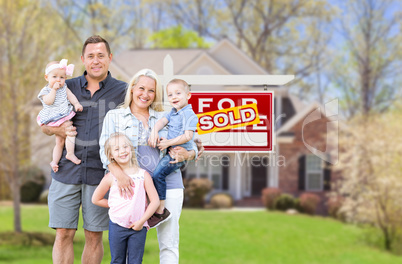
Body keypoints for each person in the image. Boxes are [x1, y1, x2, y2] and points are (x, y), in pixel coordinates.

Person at [99, 68, 203, 264]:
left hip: (168, 184)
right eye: (141, 88)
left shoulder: (168, 115)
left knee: (169, 242)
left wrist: (189, 153)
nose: (145, 95)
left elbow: (194, 145)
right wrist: (119, 176)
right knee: (128, 246)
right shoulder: (114, 116)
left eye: (151, 91)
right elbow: (104, 152)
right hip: (132, 187)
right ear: (132, 89)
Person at [41, 35, 127, 264]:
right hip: (66, 171)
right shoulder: (65, 85)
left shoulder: (122, 91)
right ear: (83, 59)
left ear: (109, 58)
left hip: (101, 174)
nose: (95, 60)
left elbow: (144, 116)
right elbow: (44, 125)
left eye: (101, 55)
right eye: (90, 56)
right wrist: (57, 131)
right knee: (63, 233)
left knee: (93, 235)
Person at [92, 132, 160, 264]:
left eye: (125, 147)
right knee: (117, 260)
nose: (122, 151)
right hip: (117, 225)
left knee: (136, 261)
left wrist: (142, 221)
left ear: (131, 149)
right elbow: (96, 199)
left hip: (138, 227)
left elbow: (155, 201)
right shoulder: (110, 177)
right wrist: (114, 205)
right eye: (117, 149)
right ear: (111, 155)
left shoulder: (143, 175)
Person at [148, 78, 198, 225]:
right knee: (156, 174)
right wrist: (154, 131)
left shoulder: (189, 115)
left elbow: (188, 136)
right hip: (171, 148)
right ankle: (157, 207)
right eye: (170, 95)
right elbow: (162, 121)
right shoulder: (173, 112)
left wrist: (168, 143)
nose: (174, 97)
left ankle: (160, 211)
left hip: (179, 152)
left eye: (178, 93)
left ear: (188, 95)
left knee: (158, 174)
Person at [37, 59, 83, 172]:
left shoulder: (64, 88)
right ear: (46, 77)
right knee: (70, 132)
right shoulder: (45, 90)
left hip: (62, 115)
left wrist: (76, 103)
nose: (58, 80)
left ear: (65, 79)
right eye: (54, 77)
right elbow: (48, 101)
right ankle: (70, 154)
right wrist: (53, 90)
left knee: (60, 142)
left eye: (62, 77)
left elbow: (71, 95)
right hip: (54, 116)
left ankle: (54, 161)